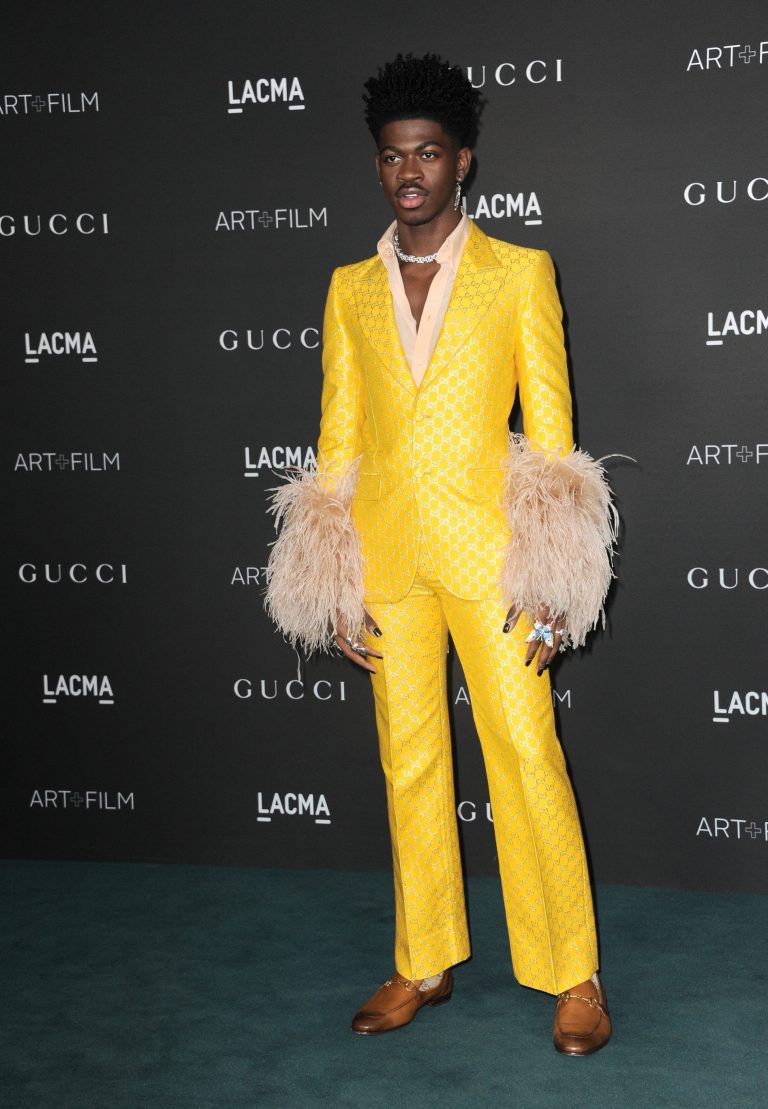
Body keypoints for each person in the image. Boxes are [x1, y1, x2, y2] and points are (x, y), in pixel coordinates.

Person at [265, 53, 618, 1056]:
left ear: (462, 161)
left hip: (493, 558)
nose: (408, 172)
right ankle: (423, 956)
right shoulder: (349, 289)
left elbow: (554, 443)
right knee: (409, 756)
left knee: (525, 752)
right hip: (388, 562)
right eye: (392, 156)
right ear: (378, 166)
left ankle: (574, 970)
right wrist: (332, 574)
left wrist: (556, 581)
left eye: (426, 153)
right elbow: (337, 444)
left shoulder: (519, 272)